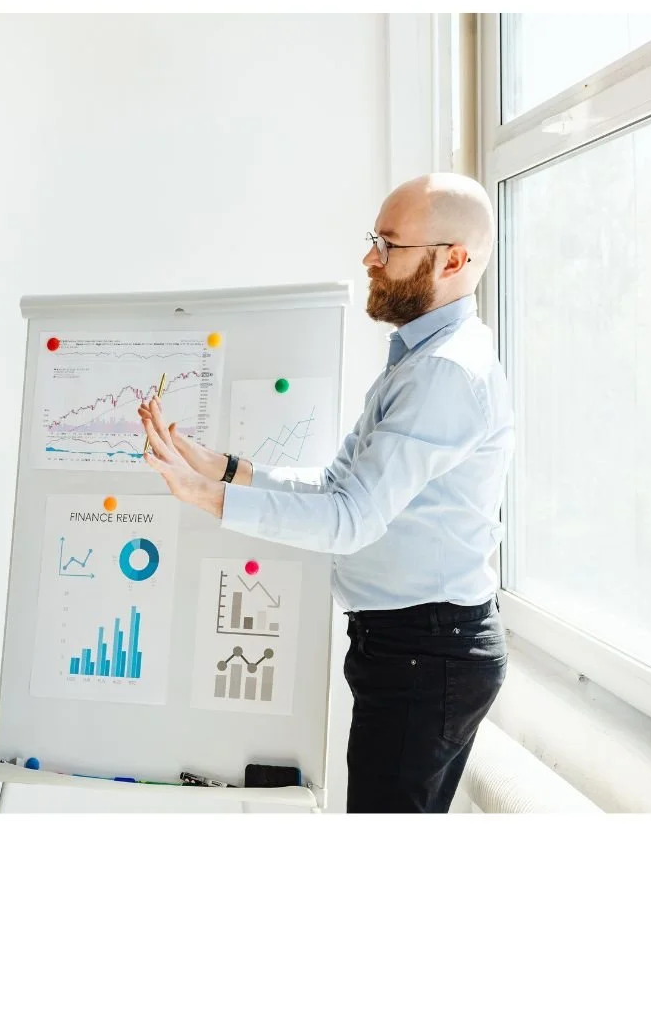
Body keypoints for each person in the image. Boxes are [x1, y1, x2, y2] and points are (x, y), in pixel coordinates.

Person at [139, 173, 514, 813]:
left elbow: (349, 519)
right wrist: (229, 470)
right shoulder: (420, 361)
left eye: (388, 244)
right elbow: (341, 487)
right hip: (411, 647)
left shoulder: (444, 373)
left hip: (426, 653)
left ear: (452, 259)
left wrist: (205, 498)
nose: (370, 258)